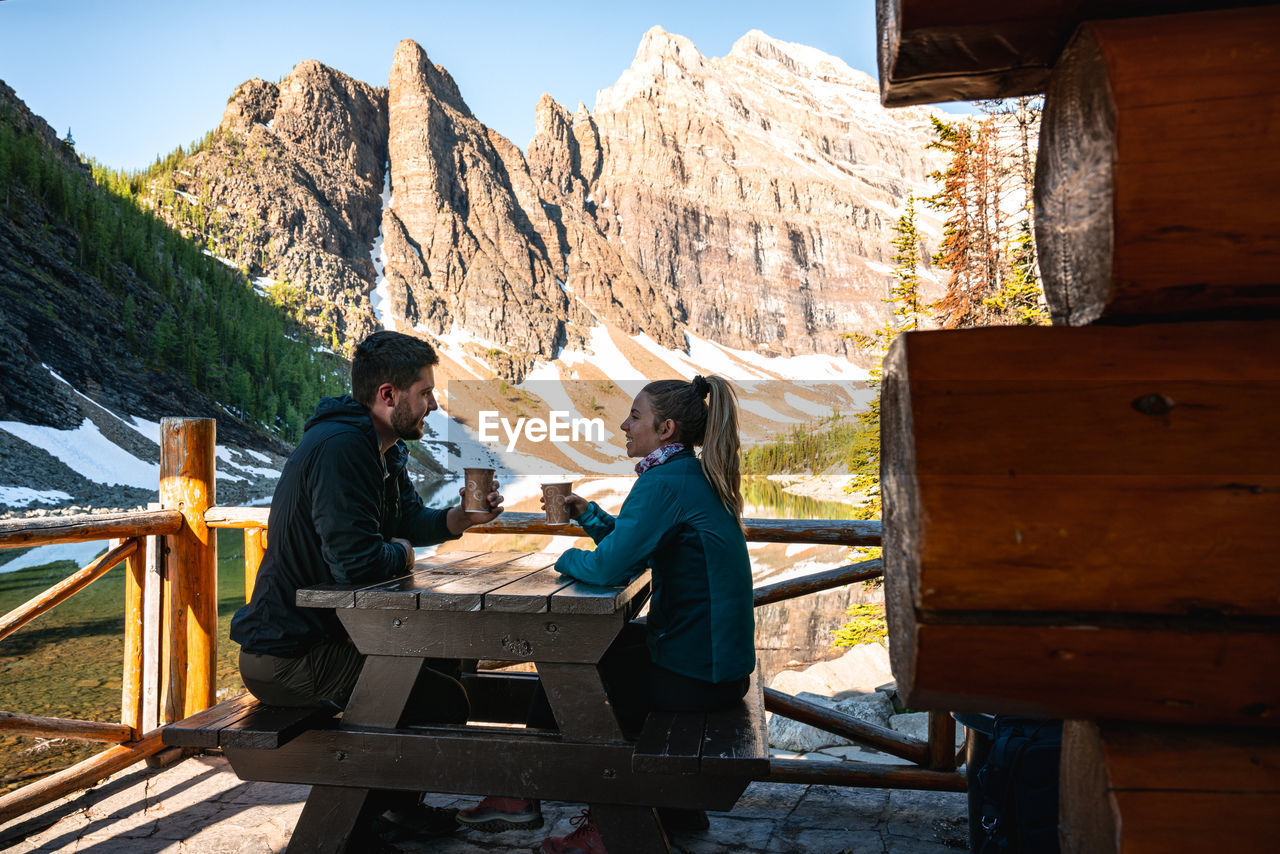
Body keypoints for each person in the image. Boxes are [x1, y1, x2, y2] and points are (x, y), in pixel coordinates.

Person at [457, 375, 756, 853]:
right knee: (599, 655)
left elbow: (608, 566)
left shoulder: (664, 483)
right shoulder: (687, 475)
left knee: (569, 665)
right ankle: (670, 804)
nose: (624, 424)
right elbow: (637, 547)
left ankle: (584, 813)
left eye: (635, 416)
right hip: (716, 666)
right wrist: (591, 517)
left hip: (700, 674)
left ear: (666, 429)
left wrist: (563, 560)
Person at [229, 329, 503, 843]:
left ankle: (395, 810)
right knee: (443, 703)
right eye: (424, 393)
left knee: (442, 659)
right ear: (388, 395)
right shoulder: (342, 447)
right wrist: (400, 551)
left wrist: (460, 517)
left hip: (329, 638)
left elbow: (409, 519)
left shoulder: (381, 445)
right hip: (289, 654)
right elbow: (356, 565)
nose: (433, 403)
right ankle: (355, 824)